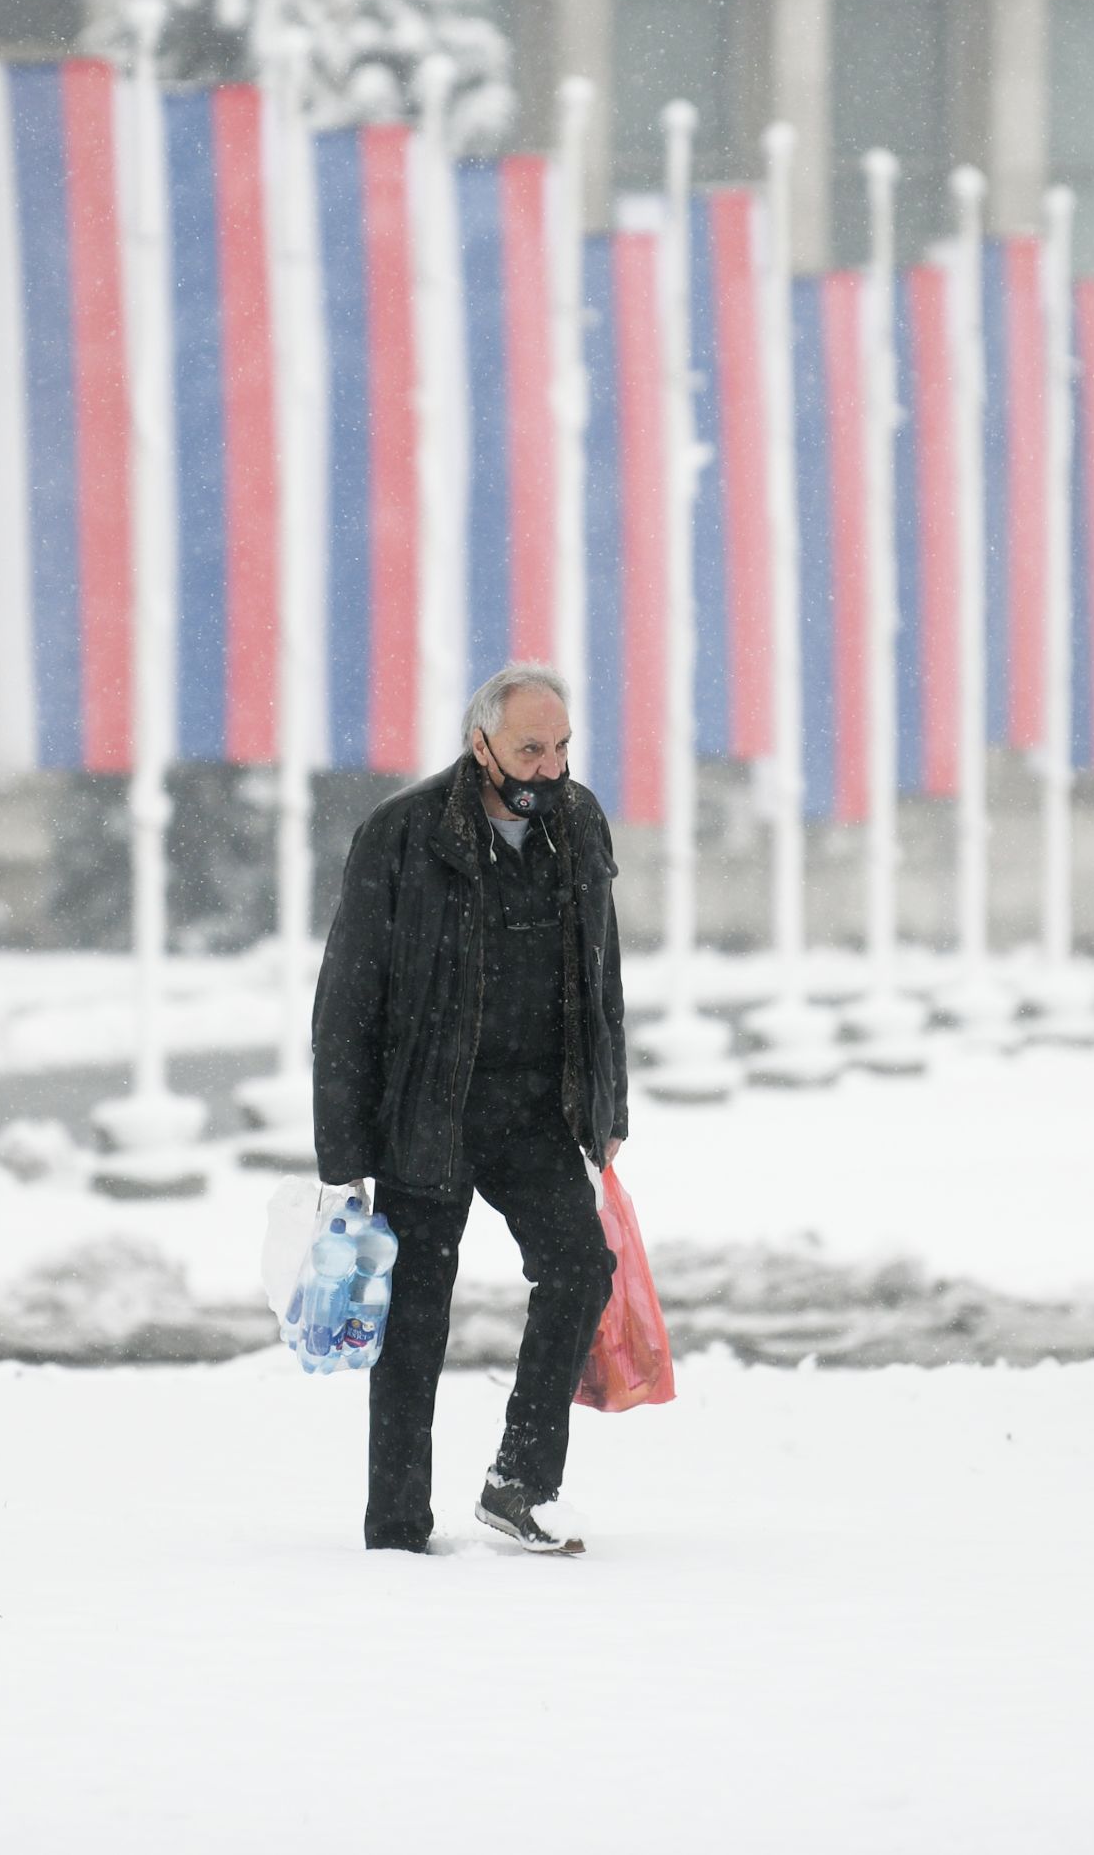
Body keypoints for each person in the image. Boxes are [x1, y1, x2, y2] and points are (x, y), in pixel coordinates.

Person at [311, 661, 627, 1556]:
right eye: (530, 750)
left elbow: (602, 974)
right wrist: (344, 1156)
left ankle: (522, 1483)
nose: (549, 768)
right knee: (414, 1320)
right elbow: (347, 999)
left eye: (561, 747)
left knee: (580, 1268)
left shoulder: (579, 823)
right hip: (427, 1112)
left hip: (535, 1113)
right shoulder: (403, 833)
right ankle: (397, 1527)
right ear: (478, 743)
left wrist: (607, 1106)